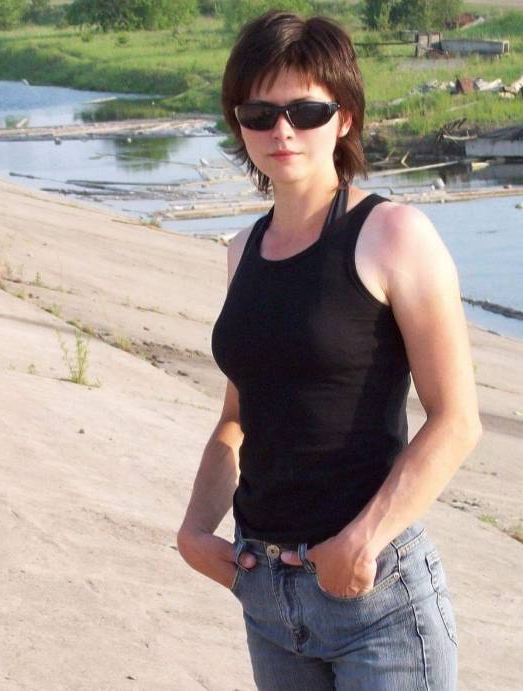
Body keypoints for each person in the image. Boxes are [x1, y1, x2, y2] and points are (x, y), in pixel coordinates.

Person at [177, 10, 482, 691]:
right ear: (238, 125)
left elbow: (456, 419)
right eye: (258, 113)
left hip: (376, 598)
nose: (281, 131)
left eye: (306, 111)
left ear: (343, 118)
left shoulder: (394, 234)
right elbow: (237, 418)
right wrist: (196, 530)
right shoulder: (241, 251)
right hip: (266, 595)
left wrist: (362, 539)